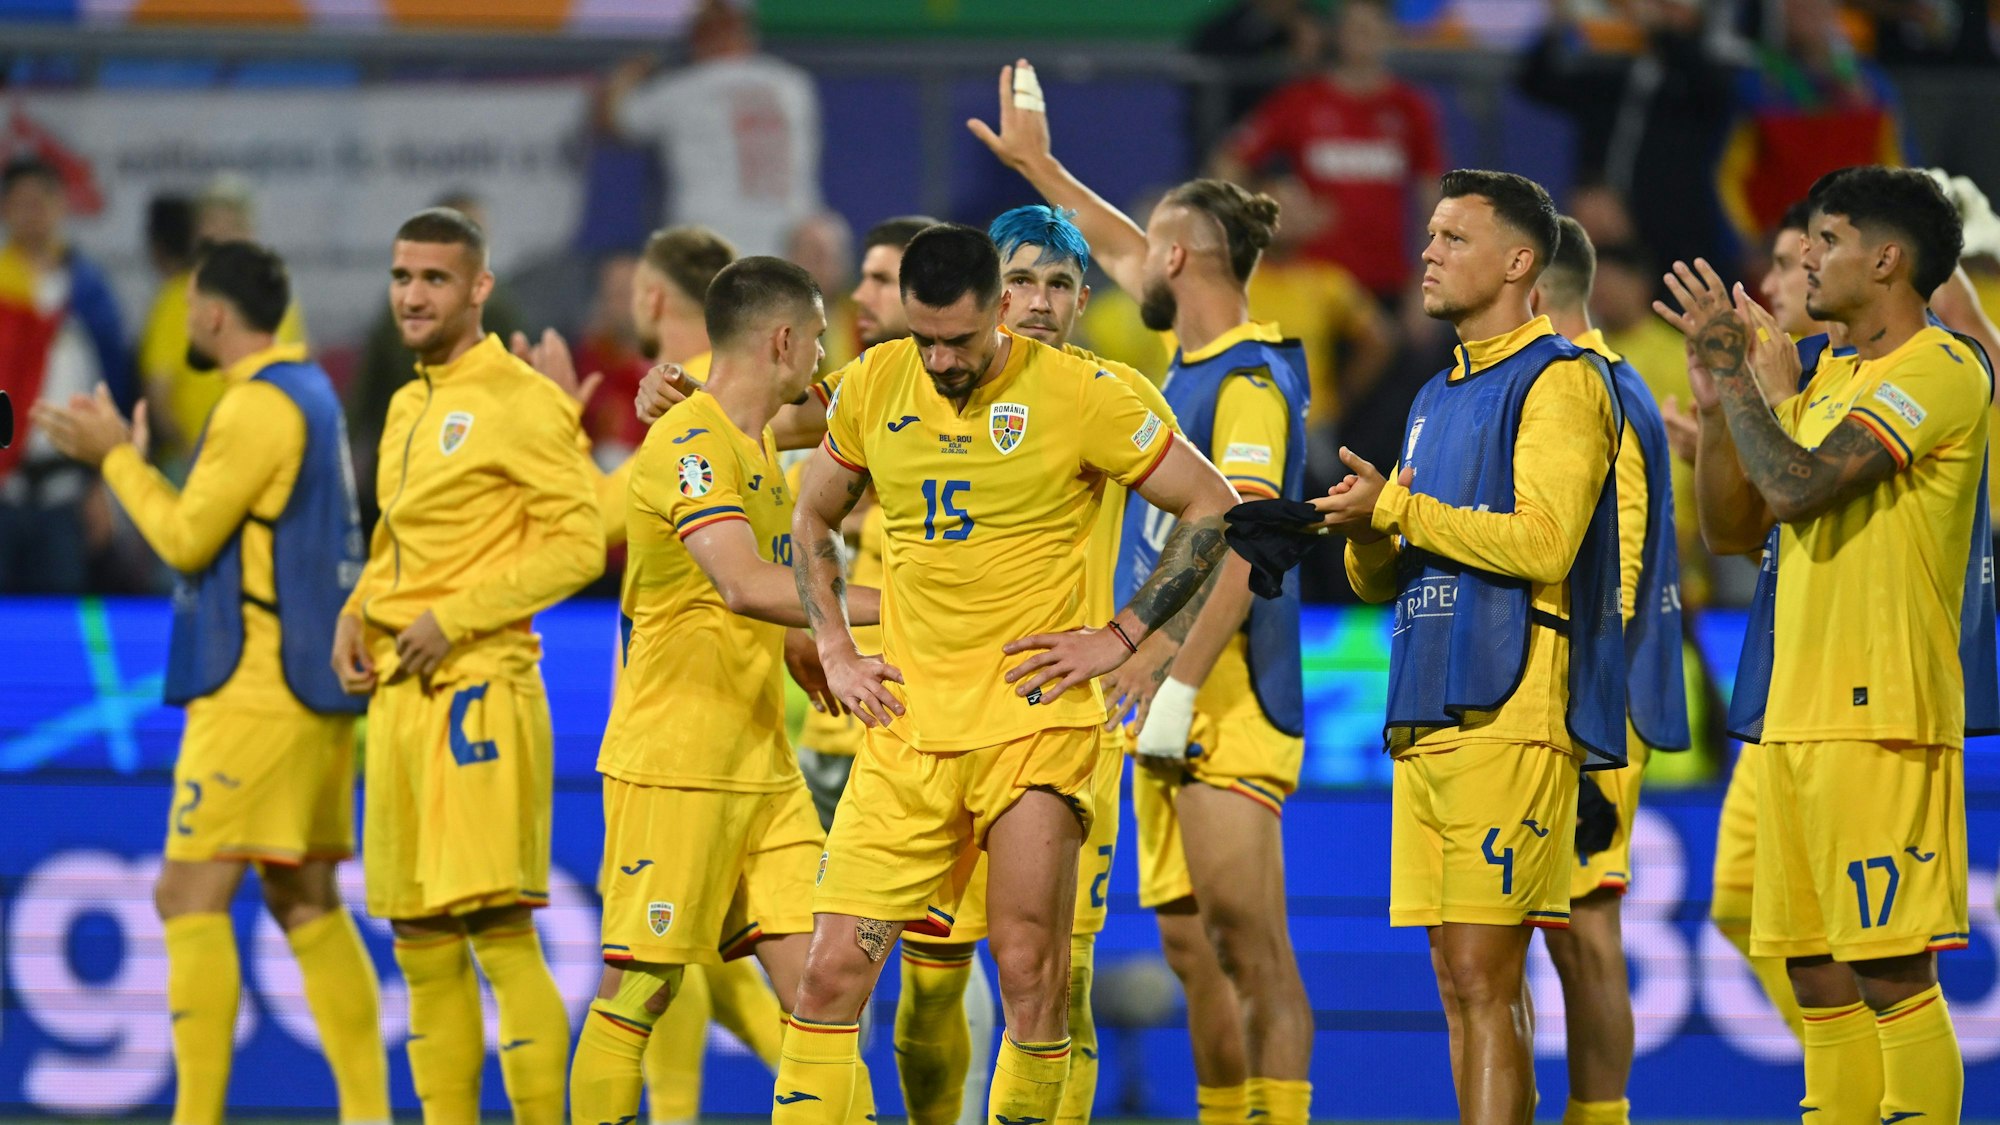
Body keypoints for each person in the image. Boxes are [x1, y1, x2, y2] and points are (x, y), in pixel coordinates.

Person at [775, 223, 1240, 1125]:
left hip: (1035, 726)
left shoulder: (1085, 394)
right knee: (832, 973)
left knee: (1035, 974)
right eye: (926, 339)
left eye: (960, 339)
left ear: (1002, 310)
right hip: (907, 731)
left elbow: (1214, 504)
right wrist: (834, 646)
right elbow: (809, 518)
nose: (942, 360)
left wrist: (1127, 633)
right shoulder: (876, 384)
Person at [970, 60, 1317, 1125]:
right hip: (1156, 687)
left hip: (1221, 690)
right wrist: (1043, 169)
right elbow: (1118, 244)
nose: (1121, 265)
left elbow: (1255, 540)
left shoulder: (1249, 379)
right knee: (1188, 944)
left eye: (1142, 250)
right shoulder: (1188, 363)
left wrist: (1168, 668)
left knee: (1251, 947)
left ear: (1176, 256)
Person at [31, 241, 388, 1125]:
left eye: (191, 302)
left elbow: (186, 539)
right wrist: (138, 462)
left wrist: (114, 457)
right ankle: (367, 1112)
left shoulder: (256, 406)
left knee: (186, 895)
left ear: (216, 313)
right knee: (300, 896)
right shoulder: (311, 396)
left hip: (257, 693)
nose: (185, 316)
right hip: (307, 692)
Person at [1663, 166, 1983, 1125]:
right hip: (1794, 714)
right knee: (1817, 973)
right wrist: (1727, 400)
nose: (1804, 254)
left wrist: (1750, 385)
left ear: (1887, 259)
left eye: (1828, 239)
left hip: (1879, 709)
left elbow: (1800, 487)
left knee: (1890, 971)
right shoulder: (1827, 374)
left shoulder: (1942, 367)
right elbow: (1732, 525)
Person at [1317, 169, 1625, 1125]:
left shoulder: (1563, 380)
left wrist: (1399, 507)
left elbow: (1544, 541)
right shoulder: (1431, 395)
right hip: (1426, 710)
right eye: (1431, 234)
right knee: (1458, 980)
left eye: (1454, 237)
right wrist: (1368, 530)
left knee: (1486, 977)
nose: (1428, 252)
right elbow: (1386, 580)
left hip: (1512, 704)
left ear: (1518, 262)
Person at [568, 255, 883, 1125]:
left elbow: (849, 416)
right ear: (783, 339)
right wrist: (898, 606)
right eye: (817, 340)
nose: (822, 358)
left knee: (822, 995)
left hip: (761, 763)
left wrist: (807, 638)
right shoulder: (691, 444)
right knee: (638, 992)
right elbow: (743, 582)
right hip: (676, 761)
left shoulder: (749, 437)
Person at [889, 204, 1181, 1125]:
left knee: (1058, 974)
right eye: (1021, 280)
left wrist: (1139, 645)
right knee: (931, 979)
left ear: (1083, 298)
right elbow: (787, 440)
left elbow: (1214, 535)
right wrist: (688, 403)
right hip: (933, 723)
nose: (1040, 301)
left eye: (1059, 284)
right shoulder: (907, 382)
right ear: (985, 289)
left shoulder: (1111, 395)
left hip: (1057, 721)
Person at [331, 207, 604, 1125]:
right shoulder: (407, 401)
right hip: (401, 698)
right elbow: (401, 538)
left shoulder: (519, 400)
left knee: (499, 933)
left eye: (435, 279)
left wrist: (458, 617)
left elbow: (580, 542)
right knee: (418, 939)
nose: (413, 294)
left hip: (480, 691)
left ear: (479, 287)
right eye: (403, 276)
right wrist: (355, 610)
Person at [1528, 216, 1691, 1125]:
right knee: (1527, 932)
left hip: (1588, 702)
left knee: (1585, 932)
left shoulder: (1599, 392)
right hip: (1552, 695)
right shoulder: (1565, 385)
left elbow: (1615, 576)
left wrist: (1586, 733)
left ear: (1533, 288)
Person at [1213, 0, 1445, 301]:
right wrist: (1259, 225)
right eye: (1355, 29)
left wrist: (1425, 280)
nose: (1363, 39)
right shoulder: (1301, 101)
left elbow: (1431, 196)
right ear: (1338, 34)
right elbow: (1231, 160)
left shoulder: (1410, 107)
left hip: (1387, 280)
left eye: (1372, 29)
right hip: (1315, 284)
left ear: (1390, 34)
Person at [1517, 0, 1737, 289]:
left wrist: (1657, 29)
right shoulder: (1616, 71)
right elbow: (1537, 82)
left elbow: (1709, 88)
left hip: (1671, 234)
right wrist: (1557, 26)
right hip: (1600, 223)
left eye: (1670, 8)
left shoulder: (1710, 73)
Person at [347, 190, 525, 529]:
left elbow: (519, 399)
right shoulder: (397, 310)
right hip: (401, 474)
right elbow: (366, 392)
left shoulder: (501, 311)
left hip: (474, 482)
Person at [0, 155, 133, 593]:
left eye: (42, 201)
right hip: (4, 486)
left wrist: (102, 481)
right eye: (21, 203)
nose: (32, 212)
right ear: (5, 210)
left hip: (65, 493)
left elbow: (110, 389)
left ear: (62, 206)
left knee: (58, 631)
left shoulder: (87, 292)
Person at [600, 0, 822, 258]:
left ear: (697, 35)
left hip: (709, 249)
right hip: (787, 249)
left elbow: (614, 121)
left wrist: (631, 71)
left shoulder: (683, 90)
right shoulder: (793, 86)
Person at [139, 178, 311, 477]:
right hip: (191, 467)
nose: (222, 234)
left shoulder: (278, 296)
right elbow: (159, 393)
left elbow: (299, 378)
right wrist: (192, 454)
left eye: (232, 224)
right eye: (211, 224)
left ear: (250, 232)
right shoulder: (175, 300)